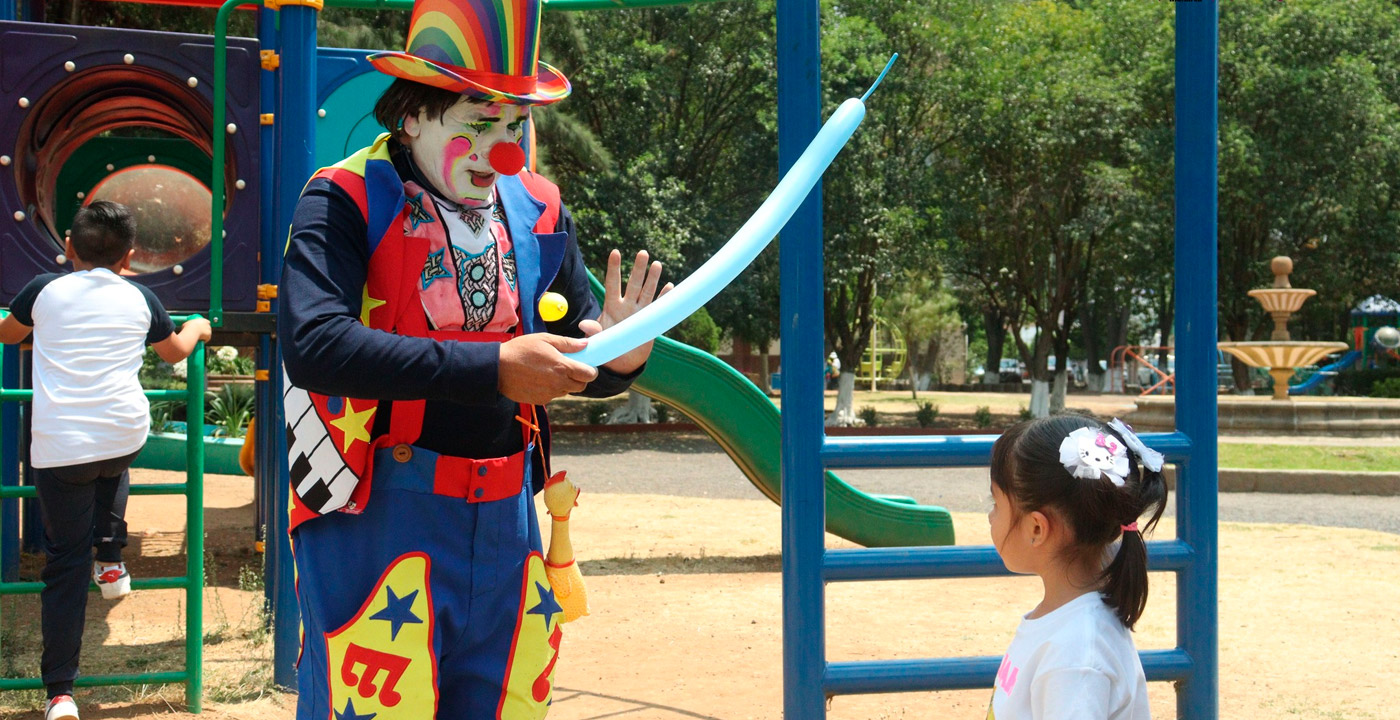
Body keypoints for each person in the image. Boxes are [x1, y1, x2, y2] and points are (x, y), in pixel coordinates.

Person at [277, 0, 669, 716]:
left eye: (515, 125)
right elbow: (315, 344)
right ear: (414, 117)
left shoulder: (539, 209)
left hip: (510, 517)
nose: (506, 150)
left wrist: (621, 354)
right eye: (478, 124)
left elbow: (575, 356)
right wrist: (491, 369)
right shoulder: (342, 200)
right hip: (379, 512)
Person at [0, 201, 212, 720]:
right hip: (123, 434)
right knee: (113, 463)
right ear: (130, 256)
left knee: (63, 565)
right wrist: (201, 328)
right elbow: (174, 352)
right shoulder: (141, 295)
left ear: (68, 247)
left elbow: (9, 334)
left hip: (60, 447)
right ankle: (112, 554)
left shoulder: (43, 290)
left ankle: (60, 694)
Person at [985, 415, 1168, 720]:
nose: (991, 517)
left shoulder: (1077, 654)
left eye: (997, 505)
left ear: (1036, 529)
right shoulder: (1067, 627)